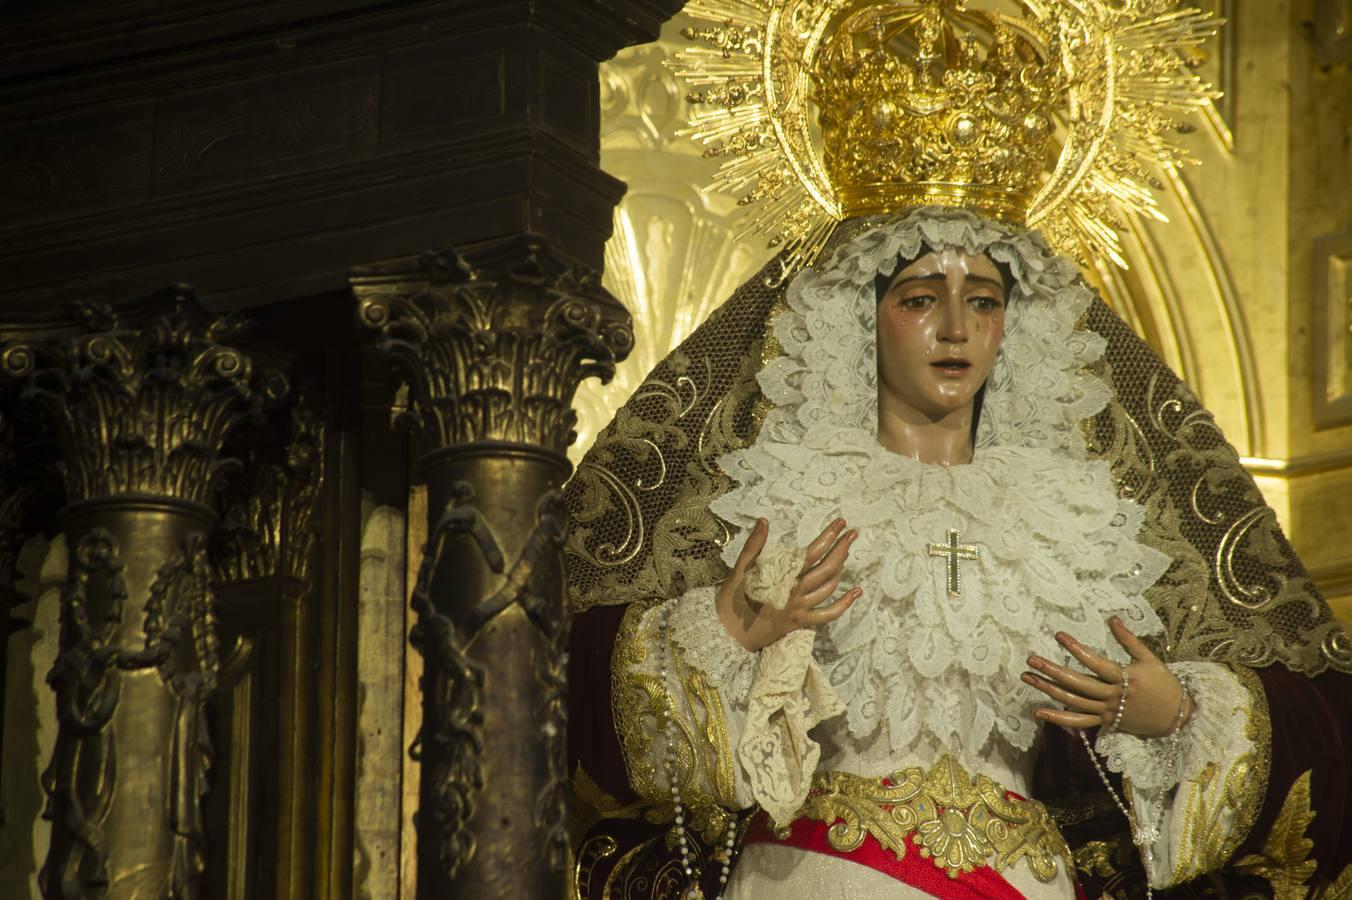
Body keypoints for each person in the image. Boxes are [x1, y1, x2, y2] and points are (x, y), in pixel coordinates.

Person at [564, 5, 1352, 899]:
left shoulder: (1080, 519)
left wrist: (1175, 713)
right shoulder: (779, 493)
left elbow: (1313, 712)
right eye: (916, 297)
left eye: (982, 298)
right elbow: (574, 672)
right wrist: (730, 638)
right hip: (822, 877)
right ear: (859, 316)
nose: (954, 326)